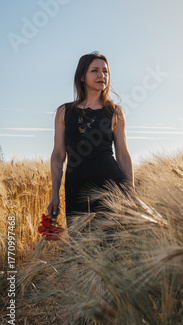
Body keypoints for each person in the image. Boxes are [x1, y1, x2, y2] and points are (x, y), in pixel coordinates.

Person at [47, 51, 134, 226]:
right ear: (81, 76)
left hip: (111, 188)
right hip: (75, 188)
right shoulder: (64, 112)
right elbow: (58, 155)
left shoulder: (115, 112)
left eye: (105, 71)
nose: (102, 75)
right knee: (79, 246)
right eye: (94, 70)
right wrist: (54, 193)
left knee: (113, 246)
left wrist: (130, 193)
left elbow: (123, 154)